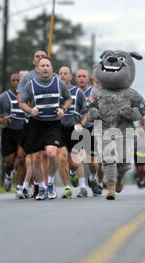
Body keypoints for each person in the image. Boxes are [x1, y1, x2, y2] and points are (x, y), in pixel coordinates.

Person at [19, 56, 72, 200]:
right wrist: (30, 111)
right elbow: (22, 102)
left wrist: (63, 109)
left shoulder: (59, 83)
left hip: (53, 123)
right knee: (35, 158)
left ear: (52, 68)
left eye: (47, 65)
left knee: (52, 153)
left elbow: (68, 99)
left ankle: (50, 182)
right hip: (36, 124)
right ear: (37, 69)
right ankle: (41, 187)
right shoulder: (30, 84)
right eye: (42, 65)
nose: (45, 68)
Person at [17, 50, 48, 198]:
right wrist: (31, 110)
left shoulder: (52, 77)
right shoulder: (27, 78)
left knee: (46, 155)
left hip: (49, 121)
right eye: (37, 56)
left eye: (43, 56)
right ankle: (34, 185)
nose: (40, 58)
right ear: (33, 60)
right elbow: (20, 100)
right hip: (31, 121)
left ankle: (45, 185)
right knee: (32, 156)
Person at [0, 73, 27, 199]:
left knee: (21, 159)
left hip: (23, 130)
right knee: (9, 161)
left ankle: (20, 187)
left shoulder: (27, 95)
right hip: (9, 131)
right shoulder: (3, 97)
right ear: (10, 82)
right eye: (13, 81)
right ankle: (8, 175)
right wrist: (1, 120)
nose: (16, 83)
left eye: (18, 80)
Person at [58, 66, 88, 198]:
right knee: (62, 158)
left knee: (75, 161)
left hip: (75, 128)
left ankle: (79, 182)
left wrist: (81, 124)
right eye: (61, 74)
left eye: (66, 74)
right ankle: (67, 188)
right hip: (59, 128)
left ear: (71, 77)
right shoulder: (55, 91)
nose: (63, 76)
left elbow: (86, 111)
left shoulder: (77, 92)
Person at [76, 68, 102, 196]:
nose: (81, 78)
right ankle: (81, 186)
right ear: (76, 79)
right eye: (79, 76)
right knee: (78, 156)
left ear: (88, 79)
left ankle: (92, 178)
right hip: (76, 127)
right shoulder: (72, 93)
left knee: (92, 162)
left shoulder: (95, 92)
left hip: (92, 127)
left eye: (83, 76)